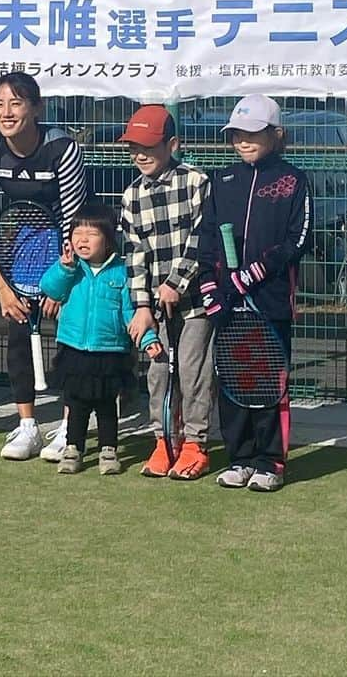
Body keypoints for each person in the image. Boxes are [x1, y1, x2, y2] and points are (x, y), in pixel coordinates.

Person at [198, 94, 312, 493]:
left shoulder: (294, 180)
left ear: (275, 135)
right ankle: (240, 457)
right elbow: (207, 237)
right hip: (228, 304)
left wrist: (249, 276)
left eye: (253, 134)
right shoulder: (223, 179)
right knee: (233, 382)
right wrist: (213, 288)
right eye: (236, 135)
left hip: (269, 302)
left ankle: (270, 461)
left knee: (269, 384)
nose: (243, 142)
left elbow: (296, 240)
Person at [0, 73, 88, 461]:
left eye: (16, 103)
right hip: (17, 258)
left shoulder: (62, 147)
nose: (6, 113)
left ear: (36, 108)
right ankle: (27, 426)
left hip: (68, 257)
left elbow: (74, 219)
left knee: (72, 342)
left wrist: (62, 282)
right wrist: (3, 287)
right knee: (18, 338)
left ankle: (70, 428)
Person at [118, 104, 214, 480]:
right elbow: (134, 254)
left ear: (172, 144)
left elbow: (201, 240)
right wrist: (142, 306)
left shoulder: (196, 182)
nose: (140, 154)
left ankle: (196, 444)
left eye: (150, 146)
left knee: (193, 370)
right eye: (133, 147)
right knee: (158, 371)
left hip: (196, 303)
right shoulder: (131, 196)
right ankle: (163, 441)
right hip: (154, 307)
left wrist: (176, 283)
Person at [38, 204, 161, 474]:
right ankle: (73, 448)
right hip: (74, 350)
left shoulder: (122, 272)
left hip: (110, 351)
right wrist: (65, 268)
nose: (82, 239)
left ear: (108, 239)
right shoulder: (70, 268)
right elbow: (49, 288)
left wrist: (148, 339)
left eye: (91, 234)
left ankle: (109, 450)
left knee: (107, 406)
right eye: (76, 233)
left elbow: (131, 313)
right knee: (76, 404)